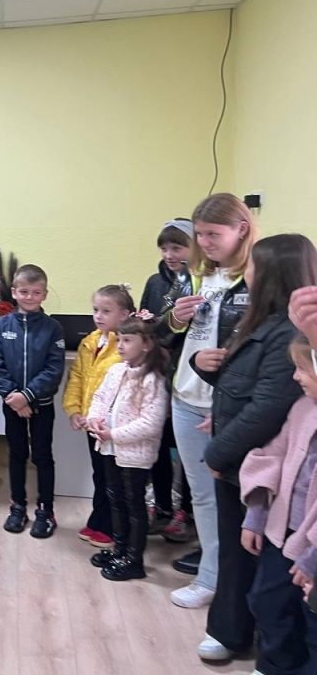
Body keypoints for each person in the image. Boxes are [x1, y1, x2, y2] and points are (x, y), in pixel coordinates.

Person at [191, 234, 314, 663]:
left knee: (260, 561)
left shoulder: (290, 334)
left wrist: (216, 453)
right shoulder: (260, 321)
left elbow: (268, 408)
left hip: (257, 464)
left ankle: (264, 648)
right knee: (238, 554)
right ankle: (232, 631)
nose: (246, 274)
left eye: (253, 267)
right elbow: (240, 382)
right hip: (238, 458)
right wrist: (201, 366)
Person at [161, 192, 256, 610]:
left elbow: (263, 352)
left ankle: (238, 593)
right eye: (199, 235)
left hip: (229, 407)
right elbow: (165, 331)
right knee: (201, 497)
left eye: (213, 234)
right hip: (185, 398)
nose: (204, 243)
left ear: (242, 229)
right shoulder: (195, 276)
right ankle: (210, 579)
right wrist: (174, 318)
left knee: (238, 502)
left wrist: (223, 402)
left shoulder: (257, 280)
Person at [237, 334, 317, 674]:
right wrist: (256, 515)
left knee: (311, 620)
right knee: (266, 602)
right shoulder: (302, 408)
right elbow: (272, 456)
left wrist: (313, 556)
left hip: (311, 548)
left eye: (303, 368)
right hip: (281, 534)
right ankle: (275, 666)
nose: (295, 377)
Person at [85, 315, 169, 581]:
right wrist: (94, 419)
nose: (120, 345)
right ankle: (119, 550)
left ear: (147, 345)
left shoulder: (153, 379)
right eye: (119, 339)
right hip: (109, 447)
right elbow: (100, 397)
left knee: (134, 504)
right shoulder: (116, 370)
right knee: (115, 498)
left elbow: (151, 423)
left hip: (134, 454)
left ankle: (134, 559)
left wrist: (114, 434)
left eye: (128, 340)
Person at [0, 264, 67, 537]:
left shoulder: (53, 328)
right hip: (12, 405)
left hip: (41, 405)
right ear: (14, 292)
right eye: (24, 292)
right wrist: (14, 397)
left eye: (36, 292)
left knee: (42, 455)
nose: (30, 297)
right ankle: (18, 506)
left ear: (44, 294)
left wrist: (27, 396)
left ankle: (46, 510)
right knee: (17, 454)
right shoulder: (0, 326)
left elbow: (54, 369)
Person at [64, 284, 136, 551]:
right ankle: (99, 520)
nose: (98, 316)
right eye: (96, 310)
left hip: (115, 427)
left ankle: (114, 527)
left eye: (106, 311)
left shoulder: (127, 346)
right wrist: (75, 410)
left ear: (125, 315)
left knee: (115, 479)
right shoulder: (90, 341)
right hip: (92, 423)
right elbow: (77, 377)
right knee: (100, 474)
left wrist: (104, 418)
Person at [140, 218, 195, 540]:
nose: (169, 255)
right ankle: (161, 506)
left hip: (190, 375)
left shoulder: (200, 283)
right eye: (164, 248)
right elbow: (146, 326)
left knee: (186, 445)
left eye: (177, 247)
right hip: (158, 372)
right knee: (157, 441)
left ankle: (185, 511)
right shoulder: (155, 282)